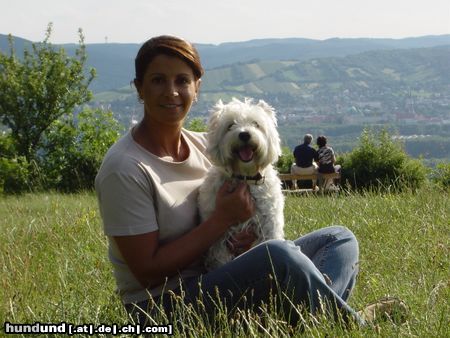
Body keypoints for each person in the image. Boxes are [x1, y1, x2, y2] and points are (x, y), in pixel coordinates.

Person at [95, 35, 405, 331]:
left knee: (338, 239)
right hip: (168, 307)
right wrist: (221, 223)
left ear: (197, 87)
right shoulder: (124, 168)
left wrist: (246, 248)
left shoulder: (205, 145)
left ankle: (307, 316)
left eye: (182, 80)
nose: (172, 92)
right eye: (158, 80)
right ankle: (351, 325)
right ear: (139, 88)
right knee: (280, 255)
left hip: (221, 278)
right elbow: (146, 272)